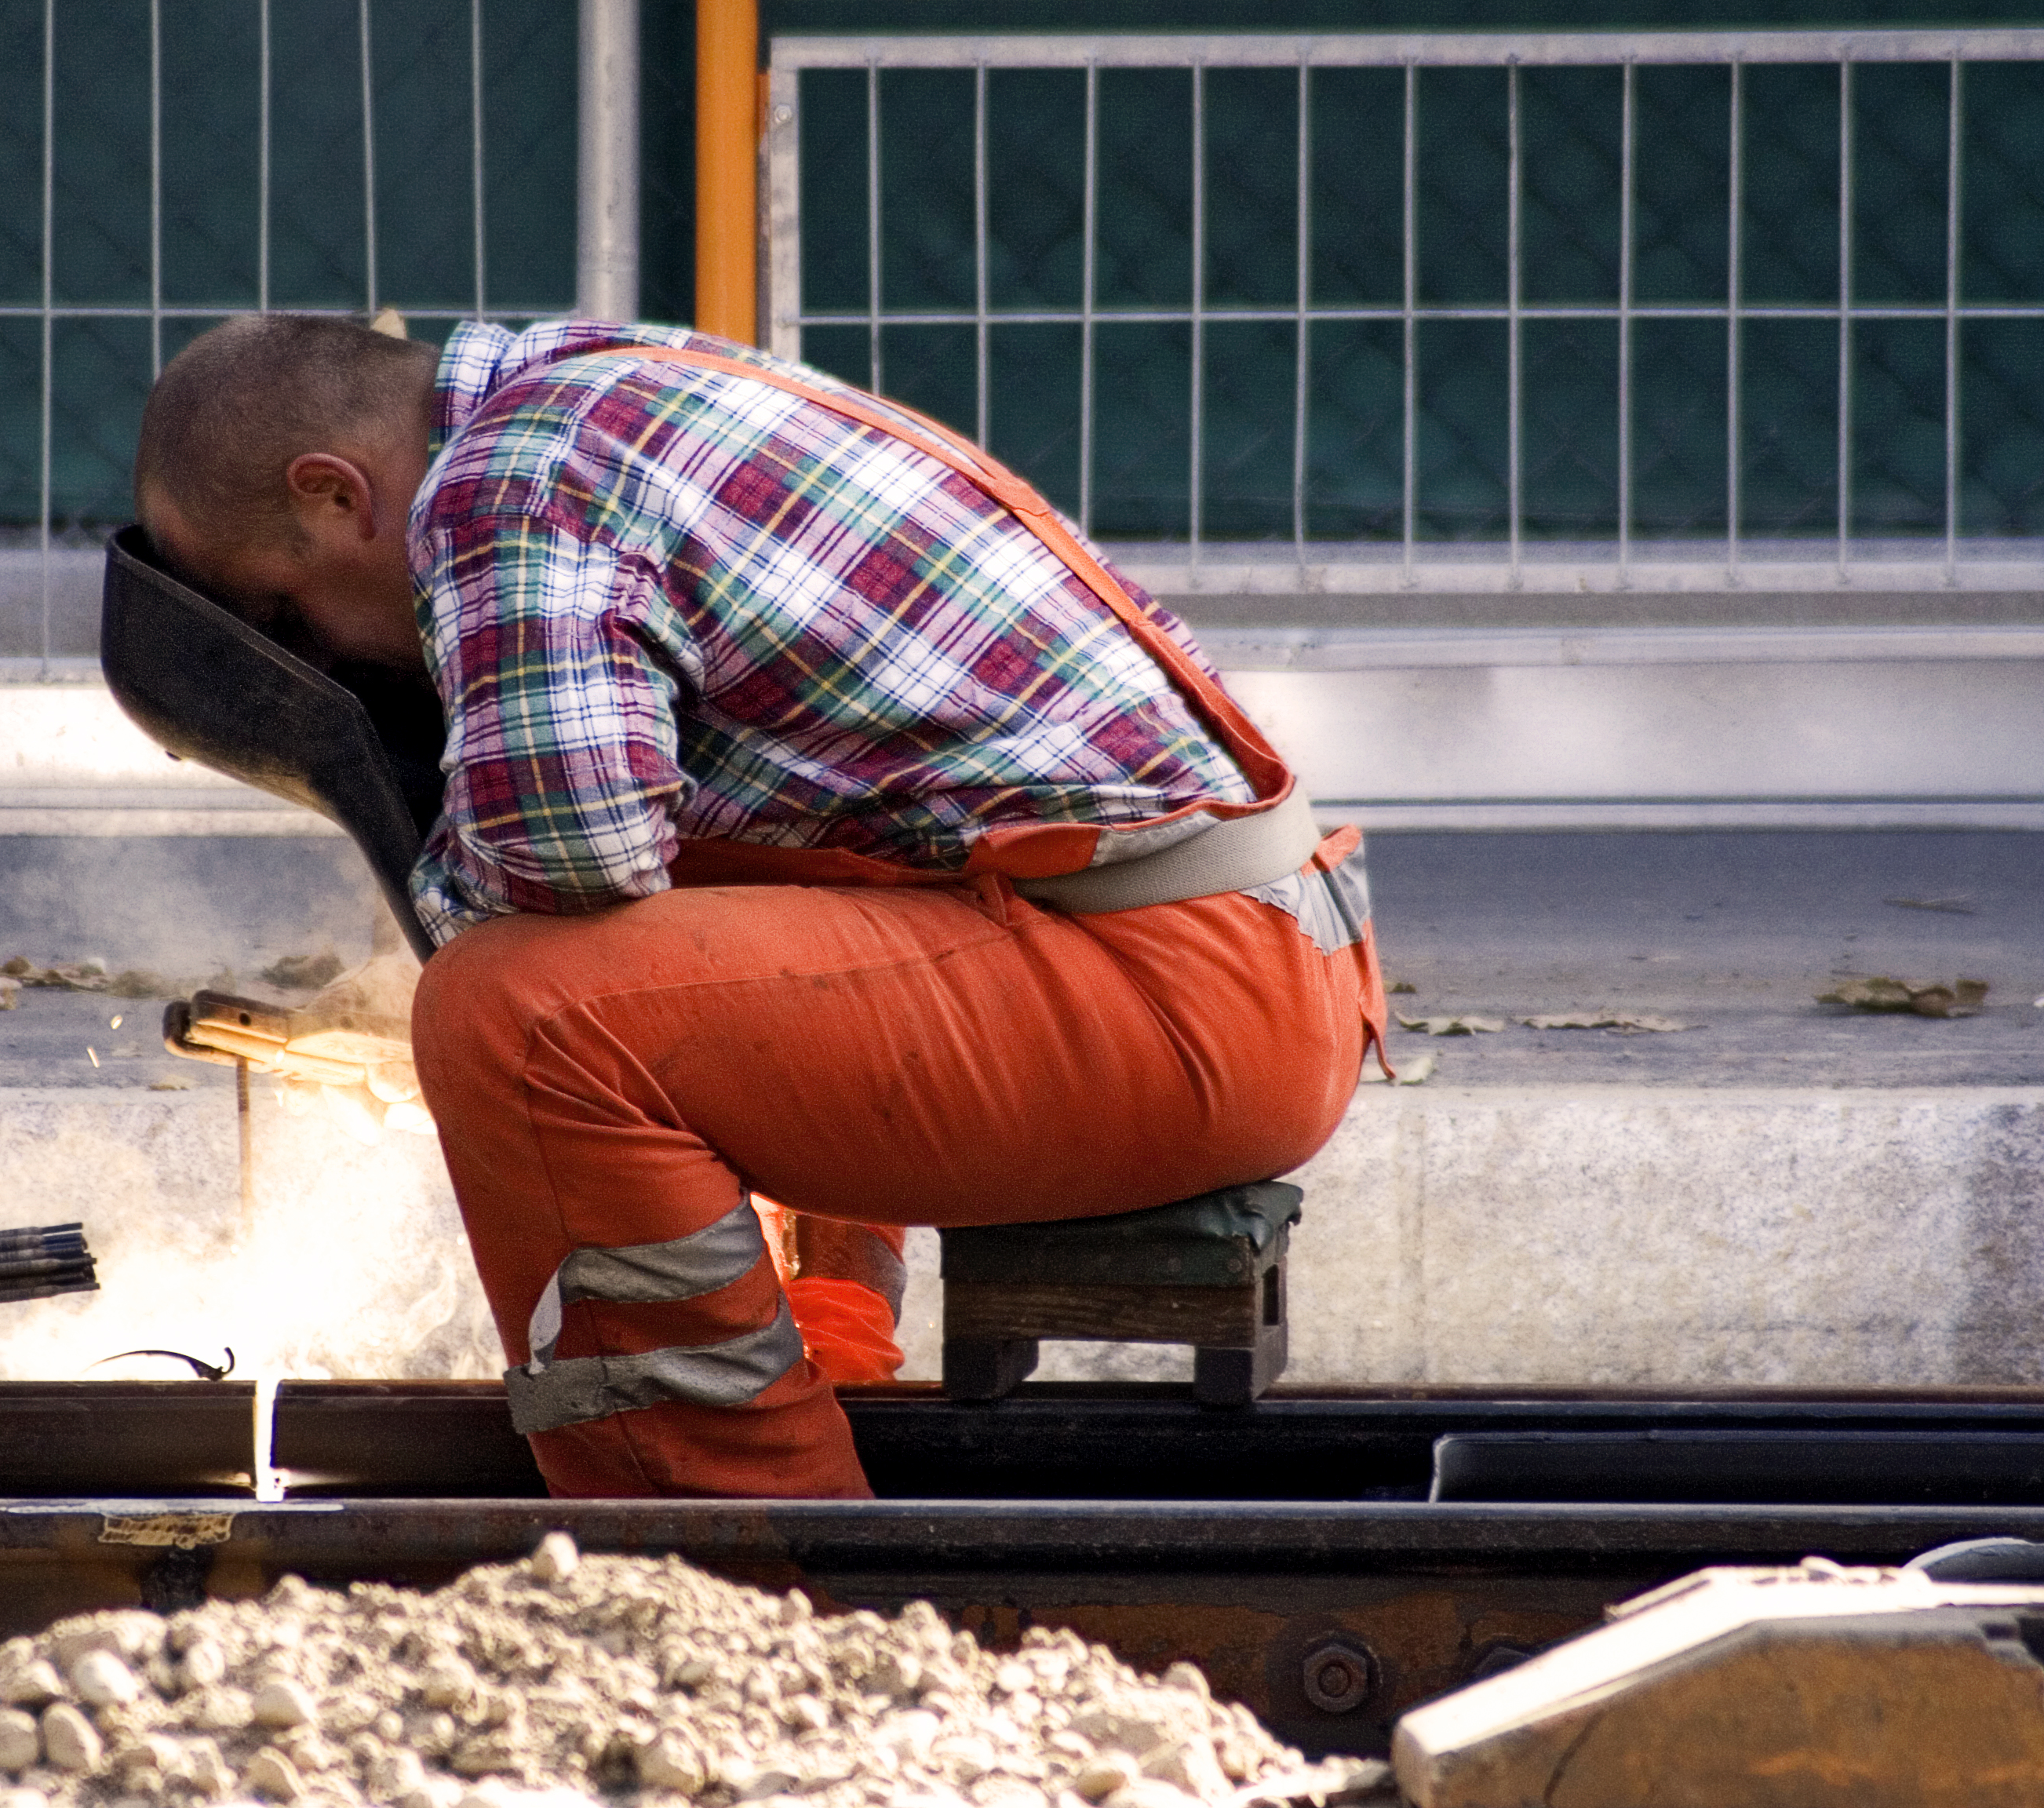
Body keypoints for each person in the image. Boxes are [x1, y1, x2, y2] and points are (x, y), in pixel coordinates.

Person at [133, 312, 1384, 1500]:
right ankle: (823, 1354)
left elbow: (570, 860)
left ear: (332, 493)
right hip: (1241, 957)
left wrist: (421, 959)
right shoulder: (608, 380)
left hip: (1179, 988)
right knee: (711, 913)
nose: (332, 654)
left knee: (519, 1018)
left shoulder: (508, 478)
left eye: (287, 613)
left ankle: (730, 1554)